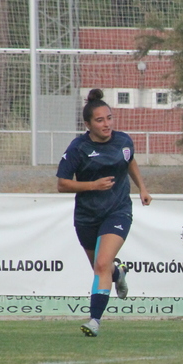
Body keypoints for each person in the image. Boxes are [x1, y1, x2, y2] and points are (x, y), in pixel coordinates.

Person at [57, 88, 151, 337]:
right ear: (88, 124)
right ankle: (119, 273)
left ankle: (94, 321)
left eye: (109, 118)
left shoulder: (123, 141)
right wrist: (92, 185)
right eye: (100, 120)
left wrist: (142, 188)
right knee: (102, 269)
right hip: (87, 216)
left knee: (101, 263)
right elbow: (62, 184)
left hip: (118, 211)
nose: (107, 124)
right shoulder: (78, 148)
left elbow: (129, 161)